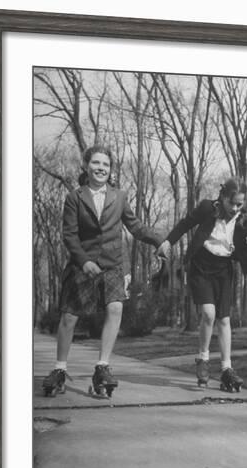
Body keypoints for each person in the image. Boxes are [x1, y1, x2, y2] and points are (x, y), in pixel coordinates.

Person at [45, 145, 163, 398]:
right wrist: (84, 260)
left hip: (112, 264)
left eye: (106, 165)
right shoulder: (75, 198)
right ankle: (60, 369)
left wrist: (159, 240)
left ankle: (102, 366)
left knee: (116, 307)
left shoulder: (119, 197)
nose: (101, 168)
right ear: (86, 166)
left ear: (111, 170)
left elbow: (136, 226)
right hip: (83, 264)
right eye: (96, 163)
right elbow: (69, 234)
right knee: (69, 317)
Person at [157, 178, 247, 392]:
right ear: (223, 197)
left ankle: (227, 368)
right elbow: (185, 223)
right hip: (201, 265)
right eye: (232, 203)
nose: (236, 208)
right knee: (208, 314)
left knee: (224, 319)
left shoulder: (244, 220)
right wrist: (168, 241)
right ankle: (203, 358)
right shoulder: (208, 209)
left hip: (224, 269)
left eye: (240, 204)